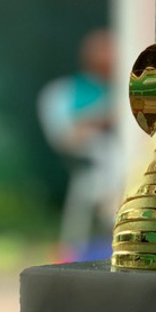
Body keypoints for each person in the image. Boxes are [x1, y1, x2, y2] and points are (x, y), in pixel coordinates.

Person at [38, 29, 117, 259]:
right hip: (93, 159)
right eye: (105, 48)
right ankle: (108, 206)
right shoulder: (71, 90)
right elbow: (67, 135)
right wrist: (102, 120)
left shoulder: (122, 87)